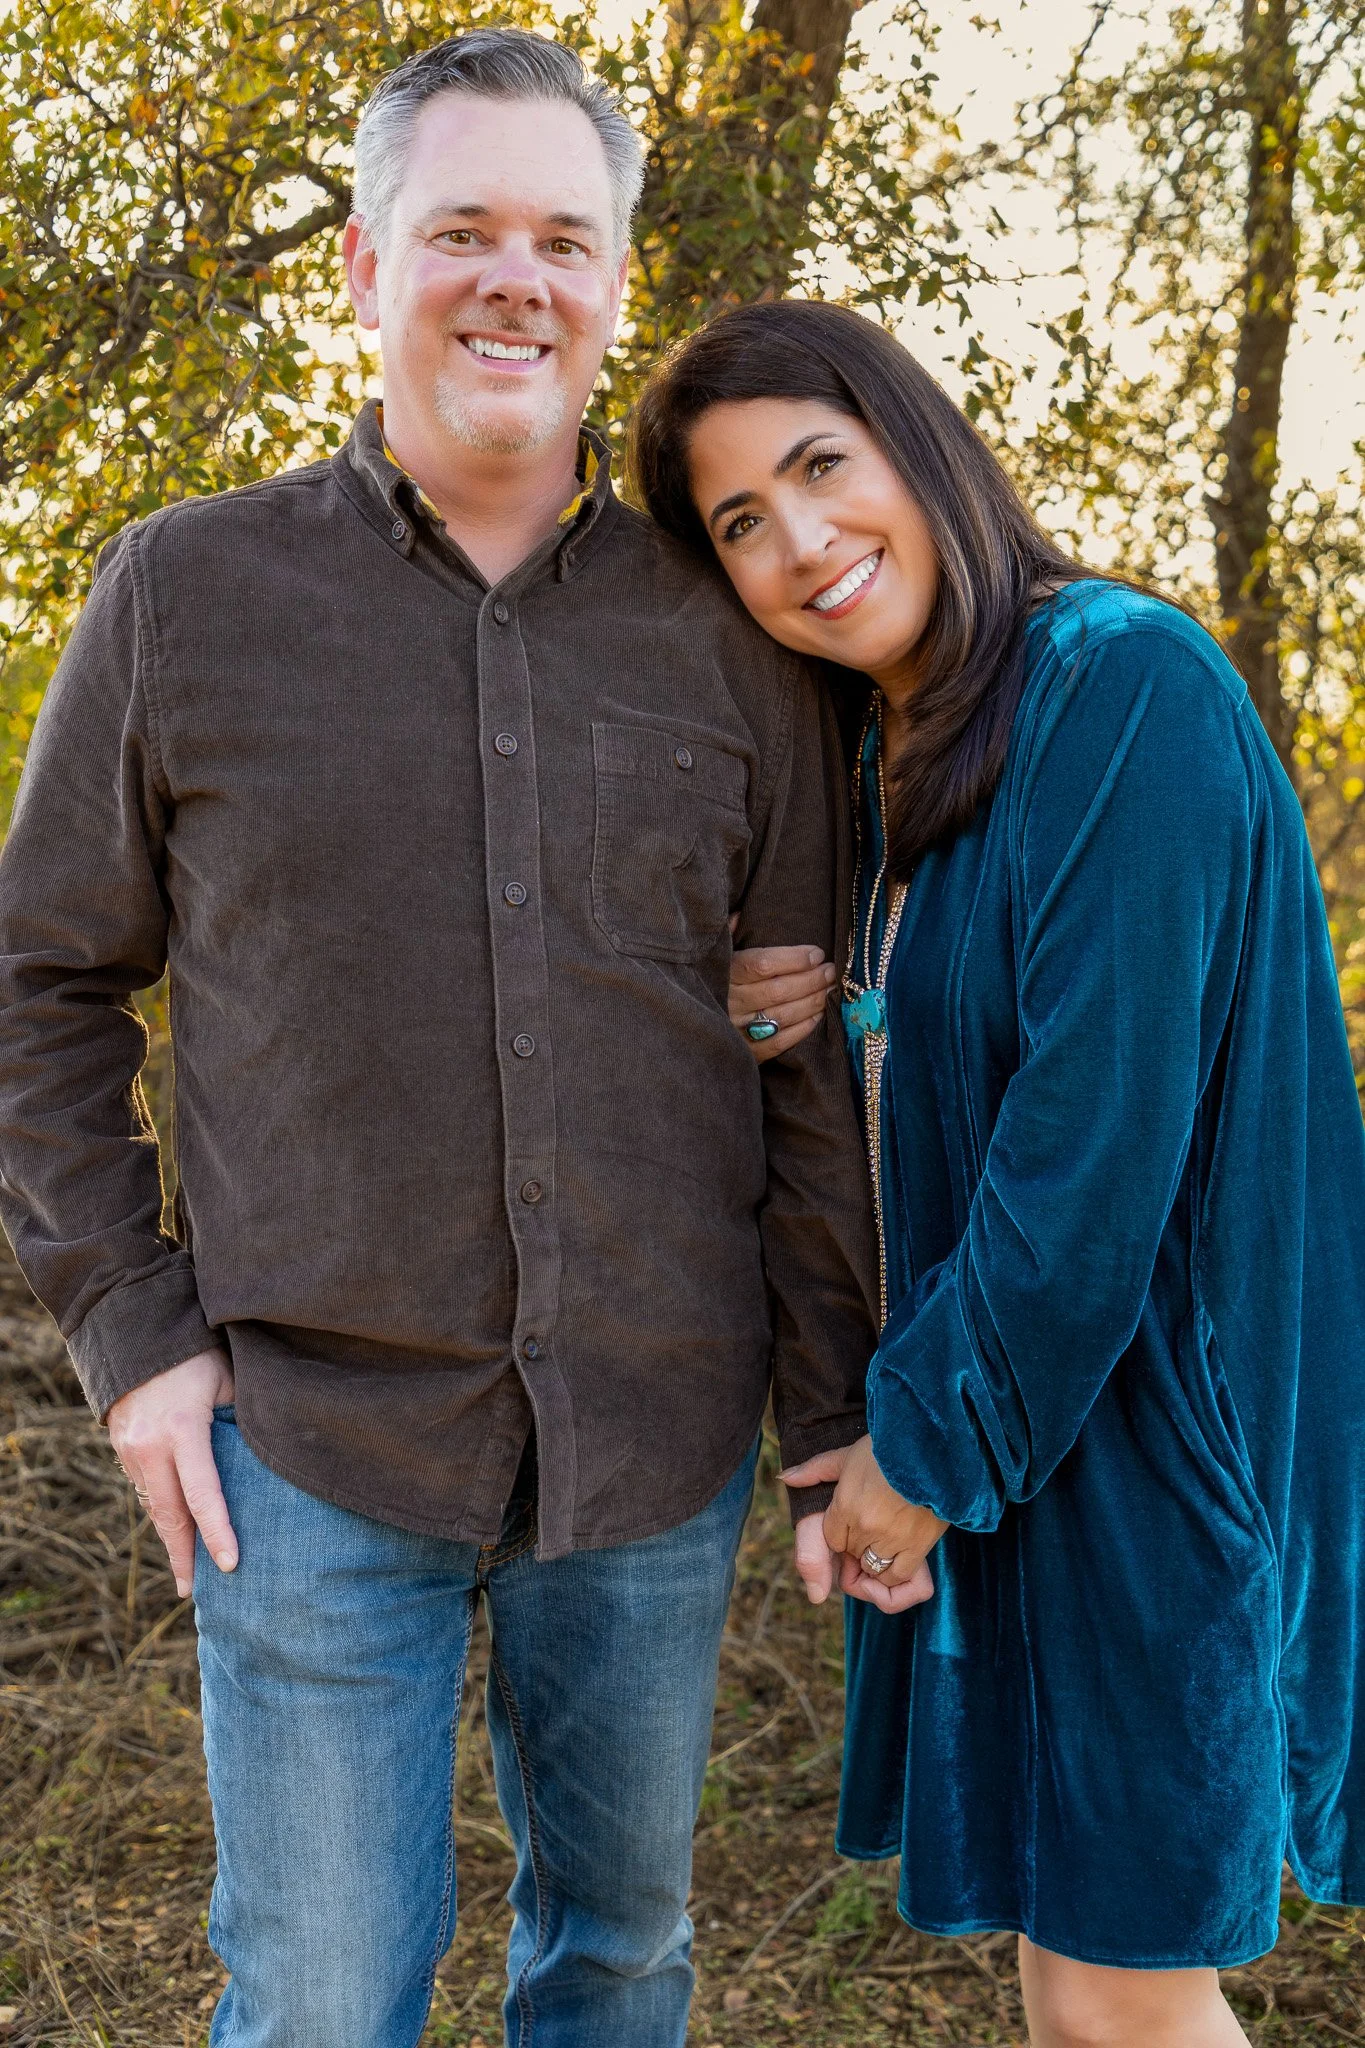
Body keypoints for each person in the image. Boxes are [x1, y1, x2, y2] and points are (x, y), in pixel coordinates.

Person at [0, 43, 880, 2048]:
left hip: (657, 1447)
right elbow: (34, 981)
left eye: (563, 239)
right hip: (306, 1451)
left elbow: (804, 1045)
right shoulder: (185, 596)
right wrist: (133, 1334)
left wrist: (829, 1393)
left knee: (623, 1966)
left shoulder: (737, 628)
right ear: (362, 266)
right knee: (315, 2003)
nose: (516, 279)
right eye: (464, 229)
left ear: (614, 284)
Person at [631, 296, 1365, 2048]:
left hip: (1153, 1442)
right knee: (1076, 1975)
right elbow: (928, 1083)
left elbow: (1095, 1143)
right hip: (1022, 1442)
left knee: (1119, 1986)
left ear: (916, 445)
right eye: (740, 521)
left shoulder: (1121, 685)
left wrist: (924, 1452)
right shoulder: (895, 763)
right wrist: (791, 1019)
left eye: (821, 465)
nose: (800, 542)